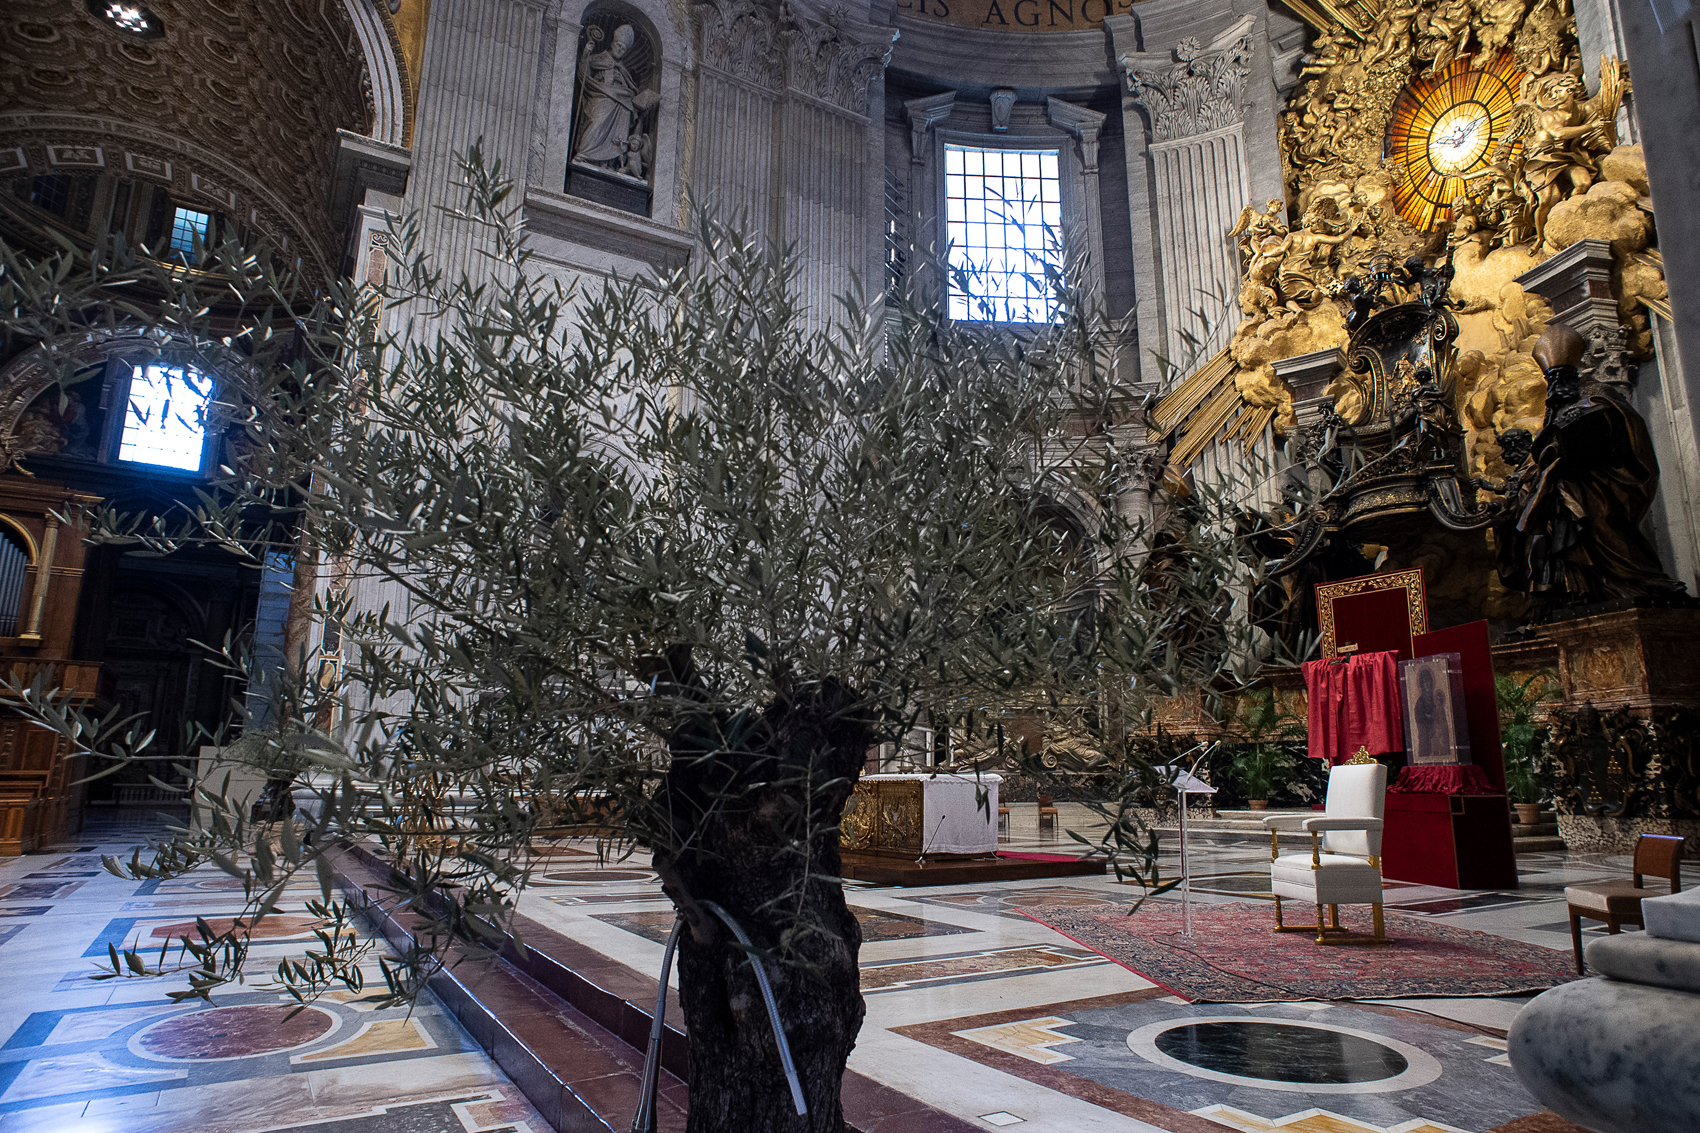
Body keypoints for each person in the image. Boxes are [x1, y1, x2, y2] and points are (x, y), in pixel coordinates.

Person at [1497, 325, 1689, 606]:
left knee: (1608, 530)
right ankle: (1584, 590)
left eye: (1562, 376)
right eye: (1551, 378)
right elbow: (1545, 448)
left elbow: (1626, 429)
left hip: (1602, 482)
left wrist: (1590, 420)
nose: (1556, 384)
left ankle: (1643, 580)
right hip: (1568, 484)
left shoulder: (1599, 393)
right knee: (1568, 532)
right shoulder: (1554, 407)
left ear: (1574, 373)